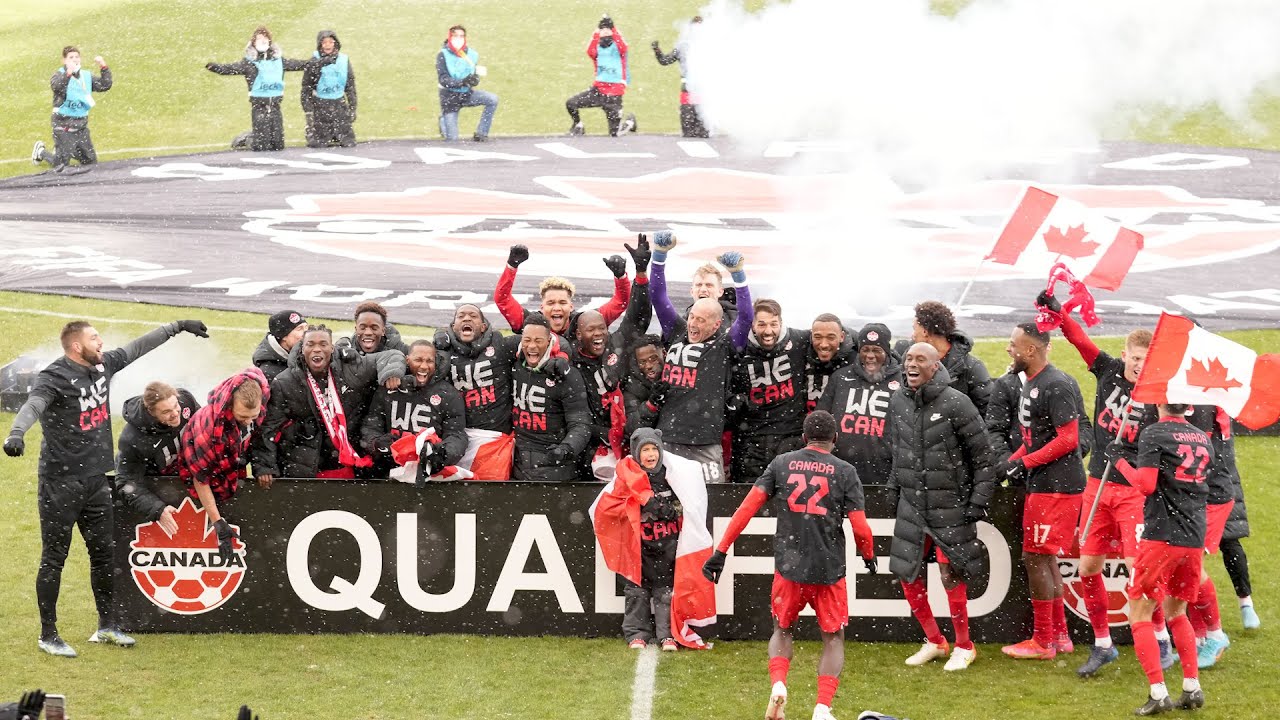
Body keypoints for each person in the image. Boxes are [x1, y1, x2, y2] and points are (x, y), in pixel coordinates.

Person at [4, 318, 208, 656]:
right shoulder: (53, 377)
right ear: (75, 347)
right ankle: (48, 635)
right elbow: (34, 405)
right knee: (54, 558)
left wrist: (176, 327)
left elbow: (138, 347)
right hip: (60, 483)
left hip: (98, 480)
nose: (102, 343)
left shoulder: (104, 365)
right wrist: (16, 433)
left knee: (104, 556)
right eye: (94, 338)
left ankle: (107, 626)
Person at [703, 411, 877, 720]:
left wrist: (721, 550)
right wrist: (868, 554)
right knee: (833, 638)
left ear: (803, 437)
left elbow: (747, 508)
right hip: (828, 568)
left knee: (782, 630)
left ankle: (779, 684)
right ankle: (822, 707)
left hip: (789, 566)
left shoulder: (782, 463)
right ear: (835, 439)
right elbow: (860, 528)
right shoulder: (845, 471)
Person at [1041, 290, 1172, 676]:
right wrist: (1059, 313)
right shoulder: (1108, 369)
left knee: (1138, 568)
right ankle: (1102, 644)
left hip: (1132, 490)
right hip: (1097, 484)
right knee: (1087, 568)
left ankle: (1162, 637)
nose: (1136, 367)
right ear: (1125, 353)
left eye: (1143, 362)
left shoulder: (1157, 394)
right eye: (1133, 359)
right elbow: (1080, 340)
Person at [886, 342, 997, 672]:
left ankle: (965, 645)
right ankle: (935, 641)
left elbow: (984, 457)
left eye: (920, 359)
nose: (912, 364)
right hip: (912, 506)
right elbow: (898, 450)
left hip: (950, 505)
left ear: (936, 366)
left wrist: (977, 501)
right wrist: (895, 491)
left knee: (951, 574)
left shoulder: (956, 402)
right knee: (908, 575)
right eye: (908, 358)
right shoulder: (898, 401)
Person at [1111, 403, 1213, 715]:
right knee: (1177, 611)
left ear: (1159, 402)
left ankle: (1158, 693)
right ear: (1190, 406)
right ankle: (1192, 687)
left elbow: (1145, 485)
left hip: (1161, 536)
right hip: (1193, 536)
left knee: (1140, 612)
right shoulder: (1201, 437)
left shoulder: (1154, 432)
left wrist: (1120, 463)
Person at [999, 322, 1087, 662]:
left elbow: (1069, 439)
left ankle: (1043, 642)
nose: (1009, 349)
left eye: (1013, 343)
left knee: (1035, 557)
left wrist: (1025, 464)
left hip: (1057, 487)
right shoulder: (1033, 383)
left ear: (1031, 350)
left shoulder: (1056, 384)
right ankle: (1060, 636)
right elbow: (1033, 437)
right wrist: (1012, 461)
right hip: (1047, 483)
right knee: (1044, 557)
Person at [645, 231, 754, 481]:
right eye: (692, 316)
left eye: (701, 320)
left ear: (716, 325)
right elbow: (658, 298)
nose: (693, 324)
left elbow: (746, 317)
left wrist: (738, 274)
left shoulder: (724, 344)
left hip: (705, 442)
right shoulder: (678, 330)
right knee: (663, 505)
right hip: (668, 437)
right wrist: (659, 256)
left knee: (711, 504)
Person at [253, 324, 406, 482]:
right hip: (304, 470)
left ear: (332, 348)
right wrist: (264, 466)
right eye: (310, 344)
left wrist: (391, 372)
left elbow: (391, 355)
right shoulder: (285, 382)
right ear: (302, 349)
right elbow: (268, 428)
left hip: (348, 467)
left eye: (323, 344)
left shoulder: (351, 369)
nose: (317, 349)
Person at [570, 244, 653, 480]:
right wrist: (600, 433)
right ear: (578, 335)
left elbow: (639, 317)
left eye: (601, 328)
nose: (598, 334)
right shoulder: (568, 361)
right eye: (590, 330)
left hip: (624, 440)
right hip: (587, 444)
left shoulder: (616, 345)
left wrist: (640, 274)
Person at [180, 369, 270, 560]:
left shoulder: (260, 393)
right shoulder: (209, 429)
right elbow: (200, 479)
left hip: (234, 463)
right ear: (229, 404)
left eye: (252, 417)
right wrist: (218, 522)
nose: (248, 422)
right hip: (207, 473)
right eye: (242, 417)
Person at [435, 304, 524, 474]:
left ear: (483, 327)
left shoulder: (501, 346)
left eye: (473, 316)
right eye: (461, 316)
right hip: (457, 438)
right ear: (453, 327)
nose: (467, 318)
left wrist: (560, 357)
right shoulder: (442, 353)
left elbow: (544, 338)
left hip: (494, 440)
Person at [361, 340, 466, 480]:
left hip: (428, 474)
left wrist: (442, 454)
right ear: (407, 360)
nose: (424, 366)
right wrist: (375, 444)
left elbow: (456, 434)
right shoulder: (389, 386)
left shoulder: (448, 394)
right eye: (418, 360)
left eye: (429, 361)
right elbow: (371, 423)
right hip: (388, 470)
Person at [729, 299, 808, 482]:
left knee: (789, 497)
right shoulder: (737, 348)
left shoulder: (799, 340)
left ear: (781, 322)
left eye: (774, 324)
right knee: (748, 496)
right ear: (752, 325)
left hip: (790, 436)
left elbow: (832, 337)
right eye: (761, 324)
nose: (768, 331)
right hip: (750, 440)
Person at [816, 323, 902, 488]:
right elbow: (821, 421)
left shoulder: (902, 382)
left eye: (876, 350)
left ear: (887, 351)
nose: (870, 355)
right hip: (838, 470)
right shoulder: (840, 377)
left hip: (882, 473)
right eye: (865, 350)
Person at [621, 428, 682, 649]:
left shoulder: (672, 474)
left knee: (665, 591)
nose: (650, 454)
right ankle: (637, 633)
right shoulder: (627, 475)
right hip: (638, 546)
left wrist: (670, 509)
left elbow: (686, 501)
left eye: (653, 449)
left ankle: (668, 634)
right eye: (644, 449)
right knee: (636, 590)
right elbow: (615, 506)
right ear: (637, 453)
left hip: (667, 544)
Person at [1184, 406, 1236, 668]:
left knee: (1193, 567)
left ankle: (1216, 635)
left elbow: (1197, 452)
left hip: (1211, 497)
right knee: (1186, 568)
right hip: (1196, 497)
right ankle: (1199, 638)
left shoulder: (1199, 403)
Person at [510, 317, 592, 481]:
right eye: (527, 340)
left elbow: (581, 423)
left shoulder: (567, 375)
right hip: (518, 466)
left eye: (538, 341)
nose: (532, 346)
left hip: (556, 469)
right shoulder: (514, 361)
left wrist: (566, 449)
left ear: (549, 342)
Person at [115, 381, 202, 532]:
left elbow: (205, 429)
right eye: (166, 411)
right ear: (151, 412)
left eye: (175, 405)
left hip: (186, 476)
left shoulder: (186, 399)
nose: (175, 413)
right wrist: (157, 509)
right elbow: (126, 482)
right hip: (156, 485)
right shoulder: (133, 438)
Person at [495, 243, 631, 338]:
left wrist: (620, 277)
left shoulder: (585, 322)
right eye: (551, 303)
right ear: (541, 307)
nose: (557, 308)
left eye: (562, 302)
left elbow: (622, 301)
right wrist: (511, 266)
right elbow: (502, 298)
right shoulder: (529, 322)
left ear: (571, 306)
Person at [206, 26, 308, 151]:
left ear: (270, 42)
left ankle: (257, 135)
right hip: (259, 106)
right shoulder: (249, 63)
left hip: (275, 105)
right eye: (259, 38)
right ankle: (247, 138)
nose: (263, 41)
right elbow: (229, 69)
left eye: (265, 38)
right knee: (262, 146)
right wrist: (215, 67)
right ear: (253, 43)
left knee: (278, 146)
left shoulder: (279, 61)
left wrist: (313, 63)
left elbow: (297, 64)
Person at [32, 46, 112, 171]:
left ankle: (65, 151)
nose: (75, 59)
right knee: (62, 166)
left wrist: (103, 66)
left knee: (91, 163)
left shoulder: (86, 76)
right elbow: (57, 87)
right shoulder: (59, 75)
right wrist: (68, 73)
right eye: (71, 57)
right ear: (64, 60)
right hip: (63, 124)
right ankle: (41, 152)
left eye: (77, 57)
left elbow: (105, 85)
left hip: (81, 126)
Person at [910, 301, 992, 415]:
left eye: (914, 329)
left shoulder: (972, 367)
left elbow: (988, 413)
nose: (912, 335)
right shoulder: (909, 362)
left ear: (925, 331)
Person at [565, 15, 637, 137]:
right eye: (602, 30)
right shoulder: (597, 49)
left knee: (614, 134)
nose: (605, 32)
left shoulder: (619, 49)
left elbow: (622, 44)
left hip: (614, 97)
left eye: (607, 30)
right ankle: (578, 125)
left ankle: (629, 122)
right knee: (571, 103)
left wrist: (613, 28)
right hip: (597, 92)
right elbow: (589, 50)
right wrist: (597, 32)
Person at [436, 24, 499, 142]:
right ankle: (443, 120)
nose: (458, 39)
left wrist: (474, 80)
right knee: (452, 139)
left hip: (466, 94)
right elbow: (443, 80)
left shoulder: (472, 55)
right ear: (450, 37)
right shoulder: (442, 55)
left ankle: (482, 133)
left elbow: (473, 73)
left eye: (461, 36)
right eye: (455, 36)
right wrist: (462, 82)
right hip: (449, 98)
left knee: (492, 99)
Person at [651, 16, 708, 138]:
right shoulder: (683, 47)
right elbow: (665, 61)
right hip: (688, 93)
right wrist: (657, 50)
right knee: (688, 133)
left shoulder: (709, 47)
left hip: (704, 94)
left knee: (703, 133)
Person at [301, 30, 357, 148]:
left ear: (335, 44)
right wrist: (308, 111)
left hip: (339, 105)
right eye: (324, 42)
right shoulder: (313, 62)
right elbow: (306, 88)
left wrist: (352, 107)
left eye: (330, 42)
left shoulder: (343, 60)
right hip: (321, 106)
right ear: (320, 45)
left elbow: (350, 86)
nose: (327, 45)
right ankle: (313, 132)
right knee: (319, 143)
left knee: (348, 142)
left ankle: (336, 133)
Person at [805, 314, 854, 412]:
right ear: (811, 337)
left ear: (842, 337)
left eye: (831, 338)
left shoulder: (855, 361)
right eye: (818, 337)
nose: (824, 344)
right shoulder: (801, 353)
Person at [252, 309, 307, 383]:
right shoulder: (269, 373)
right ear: (283, 336)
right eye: (299, 329)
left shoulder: (304, 353)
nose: (307, 333)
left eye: (306, 327)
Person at [343, 301, 410, 356]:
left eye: (374, 328)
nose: (368, 333)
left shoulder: (402, 351)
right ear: (356, 330)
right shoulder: (346, 351)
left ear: (383, 331)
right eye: (363, 328)